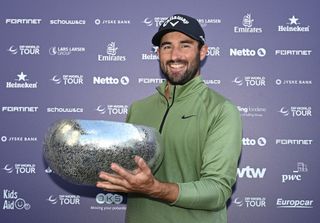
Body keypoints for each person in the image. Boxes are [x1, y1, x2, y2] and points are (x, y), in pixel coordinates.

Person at [96, 14, 242, 223]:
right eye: (167, 47)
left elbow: (217, 191)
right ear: (158, 53)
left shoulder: (221, 110)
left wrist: (156, 189)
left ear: (203, 51)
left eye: (185, 45)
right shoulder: (138, 109)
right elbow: (124, 172)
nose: (175, 55)